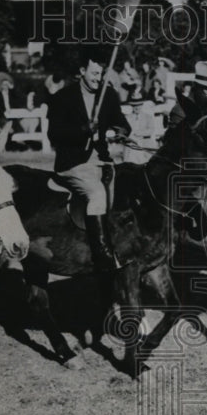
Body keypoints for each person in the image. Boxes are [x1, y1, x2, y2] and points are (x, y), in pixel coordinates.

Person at [46, 50, 132, 271]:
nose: (98, 78)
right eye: (94, 73)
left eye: (101, 74)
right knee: (97, 194)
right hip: (73, 164)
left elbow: (122, 122)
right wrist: (83, 130)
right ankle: (102, 254)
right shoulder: (62, 97)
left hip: (103, 162)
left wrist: (120, 130)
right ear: (82, 71)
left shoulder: (108, 95)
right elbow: (54, 135)